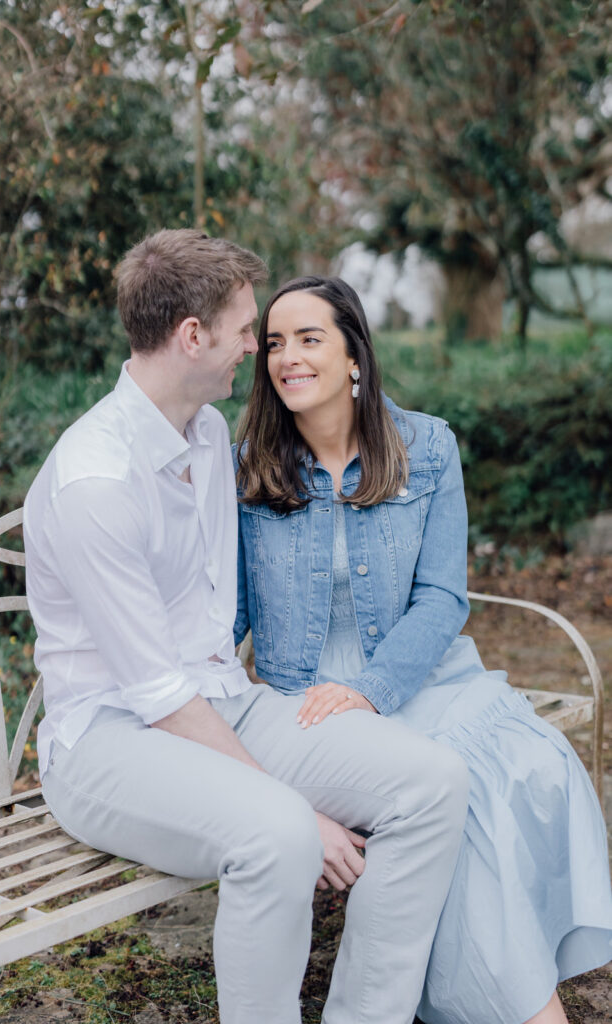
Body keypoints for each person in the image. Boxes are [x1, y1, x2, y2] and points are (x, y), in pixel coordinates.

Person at [23, 231, 470, 1024]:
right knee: (279, 835)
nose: (252, 352)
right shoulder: (96, 480)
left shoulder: (204, 438)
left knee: (431, 785)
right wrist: (298, 806)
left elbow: (210, 640)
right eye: (243, 332)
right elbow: (156, 694)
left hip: (219, 702)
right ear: (192, 336)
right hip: (109, 738)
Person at [234, 275, 612, 1024]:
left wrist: (374, 687)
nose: (287, 358)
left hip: (420, 679)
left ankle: (505, 988)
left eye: (309, 339)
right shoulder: (247, 463)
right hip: (308, 707)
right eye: (275, 343)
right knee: (458, 809)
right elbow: (226, 615)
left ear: (354, 358)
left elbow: (442, 596)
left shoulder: (426, 446)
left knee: (533, 765)